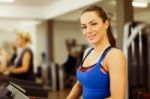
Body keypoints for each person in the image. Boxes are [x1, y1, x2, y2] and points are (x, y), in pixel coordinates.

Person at [66, 5, 126, 99]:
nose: (88, 31)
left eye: (93, 24)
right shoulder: (87, 52)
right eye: (84, 27)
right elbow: (79, 85)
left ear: (106, 24)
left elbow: (117, 97)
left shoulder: (114, 55)